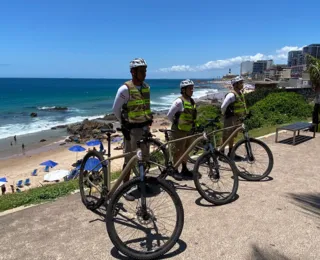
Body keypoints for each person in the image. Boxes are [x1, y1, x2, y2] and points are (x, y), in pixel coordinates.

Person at [112, 58, 152, 201]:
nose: (144, 73)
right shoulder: (125, 89)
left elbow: (146, 107)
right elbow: (116, 109)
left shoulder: (147, 87)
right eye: (142, 71)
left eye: (145, 70)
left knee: (145, 158)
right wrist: (124, 124)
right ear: (133, 72)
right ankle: (125, 187)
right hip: (132, 130)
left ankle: (141, 182)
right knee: (129, 160)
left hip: (144, 128)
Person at [167, 79, 197, 180]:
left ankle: (184, 168)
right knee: (178, 151)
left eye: (192, 88)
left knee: (186, 150)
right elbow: (169, 115)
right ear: (183, 90)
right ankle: (175, 170)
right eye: (190, 88)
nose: (192, 90)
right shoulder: (179, 101)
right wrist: (176, 124)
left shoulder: (192, 101)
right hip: (179, 130)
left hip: (189, 130)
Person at [221, 76, 247, 157]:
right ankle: (221, 153)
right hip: (230, 118)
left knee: (232, 136)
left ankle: (231, 152)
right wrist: (224, 115)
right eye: (240, 83)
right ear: (235, 84)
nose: (242, 84)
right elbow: (223, 107)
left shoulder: (240, 93)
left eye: (242, 82)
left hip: (237, 118)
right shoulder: (231, 95)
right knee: (226, 136)